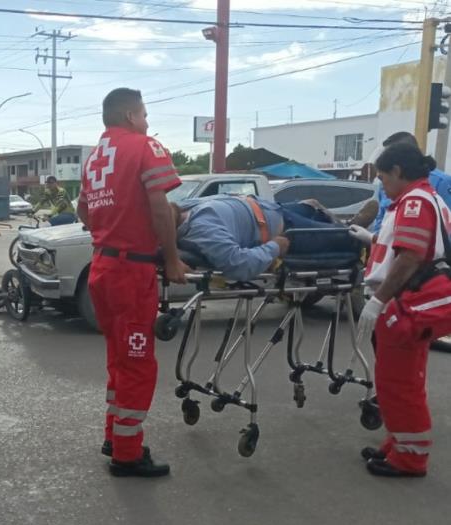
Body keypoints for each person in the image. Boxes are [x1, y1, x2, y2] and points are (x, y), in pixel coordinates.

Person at [77, 87, 190, 478]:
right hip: (130, 274)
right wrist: (172, 258)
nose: (147, 121)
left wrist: (112, 231)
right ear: (129, 116)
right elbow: (159, 205)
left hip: (102, 269)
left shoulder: (94, 158)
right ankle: (126, 453)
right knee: (138, 363)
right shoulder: (145, 147)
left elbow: (83, 211)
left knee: (119, 360)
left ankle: (114, 436)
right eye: (143, 114)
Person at [353, 143, 451, 478]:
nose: (381, 184)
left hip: (404, 303)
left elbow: (410, 256)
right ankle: (398, 444)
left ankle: (410, 458)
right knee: (401, 380)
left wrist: (378, 299)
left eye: (382, 177)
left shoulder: (414, 202)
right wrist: (372, 239)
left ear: (397, 171)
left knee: (399, 383)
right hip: (407, 301)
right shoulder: (424, 199)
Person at [172, 195, 377, 281]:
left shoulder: (186, 206)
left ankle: (348, 223)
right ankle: (352, 229)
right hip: (285, 231)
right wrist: (274, 248)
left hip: (275, 209)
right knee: (347, 238)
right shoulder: (202, 231)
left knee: (312, 204)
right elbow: (239, 264)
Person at [372, 131, 451, 232]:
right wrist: (372, 238)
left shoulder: (441, 182)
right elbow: (380, 221)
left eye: (388, 157)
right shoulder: (385, 183)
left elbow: (447, 228)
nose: (384, 161)